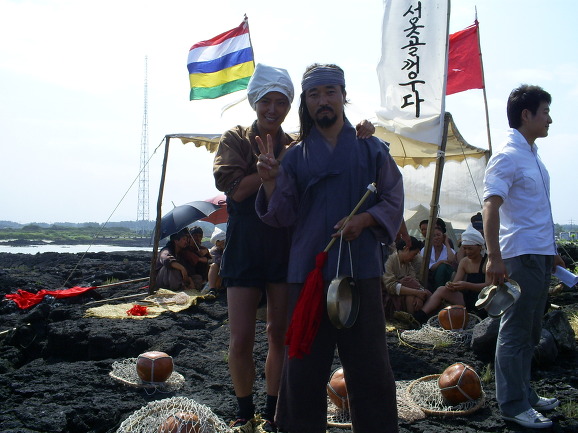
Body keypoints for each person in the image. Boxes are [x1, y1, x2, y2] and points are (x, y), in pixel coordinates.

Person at [213, 62, 377, 432]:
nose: (273, 109)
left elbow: (334, 143)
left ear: (290, 105)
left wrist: (363, 129)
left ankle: (273, 411)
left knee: (279, 333)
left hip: (284, 244)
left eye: (281, 102)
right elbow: (234, 191)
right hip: (243, 244)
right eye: (266, 101)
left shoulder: (298, 145)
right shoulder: (235, 138)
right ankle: (244, 411)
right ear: (255, 102)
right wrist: (269, 172)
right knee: (240, 337)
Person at [256, 63, 402, 433]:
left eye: (330, 92)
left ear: (343, 96)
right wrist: (270, 182)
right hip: (308, 273)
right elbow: (282, 215)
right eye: (314, 94)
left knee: (370, 365)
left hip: (361, 271)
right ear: (306, 102)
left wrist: (365, 219)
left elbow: (392, 197)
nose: (323, 100)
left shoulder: (371, 149)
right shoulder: (295, 157)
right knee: (302, 364)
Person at [483, 84, 564, 429]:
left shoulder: (532, 155)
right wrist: (494, 257)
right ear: (526, 115)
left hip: (540, 254)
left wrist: (553, 251)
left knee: (531, 330)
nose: (549, 119)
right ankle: (513, 404)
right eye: (545, 112)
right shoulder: (507, 155)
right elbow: (490, 206)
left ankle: (525, 394)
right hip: (521, 254)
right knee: (515, 330)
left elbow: (538, 210)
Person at [413, 224, 488, 324]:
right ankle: (418, 318)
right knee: (441, 289)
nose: (467, 252)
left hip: (485, 300)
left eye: (470, 248)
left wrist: (467, 285)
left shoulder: (487, 262)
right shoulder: (464, 262)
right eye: (465, 248)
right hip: (467, 298)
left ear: (480, 247)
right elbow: (456, 282)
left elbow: (490, 286)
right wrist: (451, 285)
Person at [382, 236, 429, 316]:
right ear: (406, 249)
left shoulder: (408, 265)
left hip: (401, 297)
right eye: (414, 254)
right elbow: (390, 286)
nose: (414, 257)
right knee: (409, 286)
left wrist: (419, 295)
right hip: (388, 299)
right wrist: (416, 292)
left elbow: (415, 282)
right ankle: (412, 319)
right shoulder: (389, 260)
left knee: (422, 291)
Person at [207, 227, 226, 296]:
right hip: (221, 274)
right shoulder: (215, 250)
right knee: (214, 266)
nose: (221, 246)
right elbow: (218, 262)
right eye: (219, 245)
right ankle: (212, 289)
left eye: (222, 244)